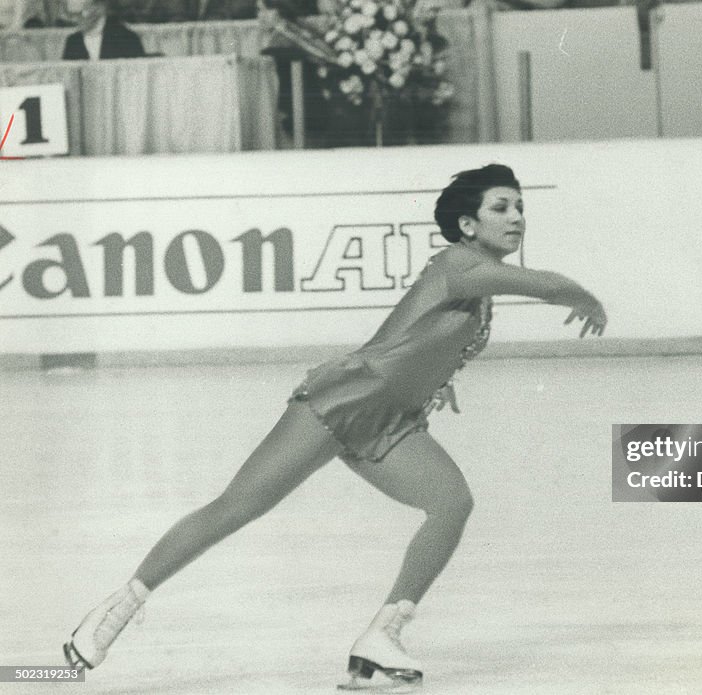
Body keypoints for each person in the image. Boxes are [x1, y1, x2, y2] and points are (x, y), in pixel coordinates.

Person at [62, 164, 607, 690]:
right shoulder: (459, 264)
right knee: (238, 507)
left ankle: (382, 635)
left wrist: (433, 381)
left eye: (520, 208)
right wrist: (586, 297)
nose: (516, 217)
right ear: (469, 224)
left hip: (391, 422)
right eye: (502, 207)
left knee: (451, 504)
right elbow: (546, 284)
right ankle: (117, 607)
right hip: (343, 400)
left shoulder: (477, 286)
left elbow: (421, 341)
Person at [61, 0, 145, 60]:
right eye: (71, 15)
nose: (75, 20)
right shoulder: (72, 42)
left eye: (82, 12)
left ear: (100, 6)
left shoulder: (127, 39)